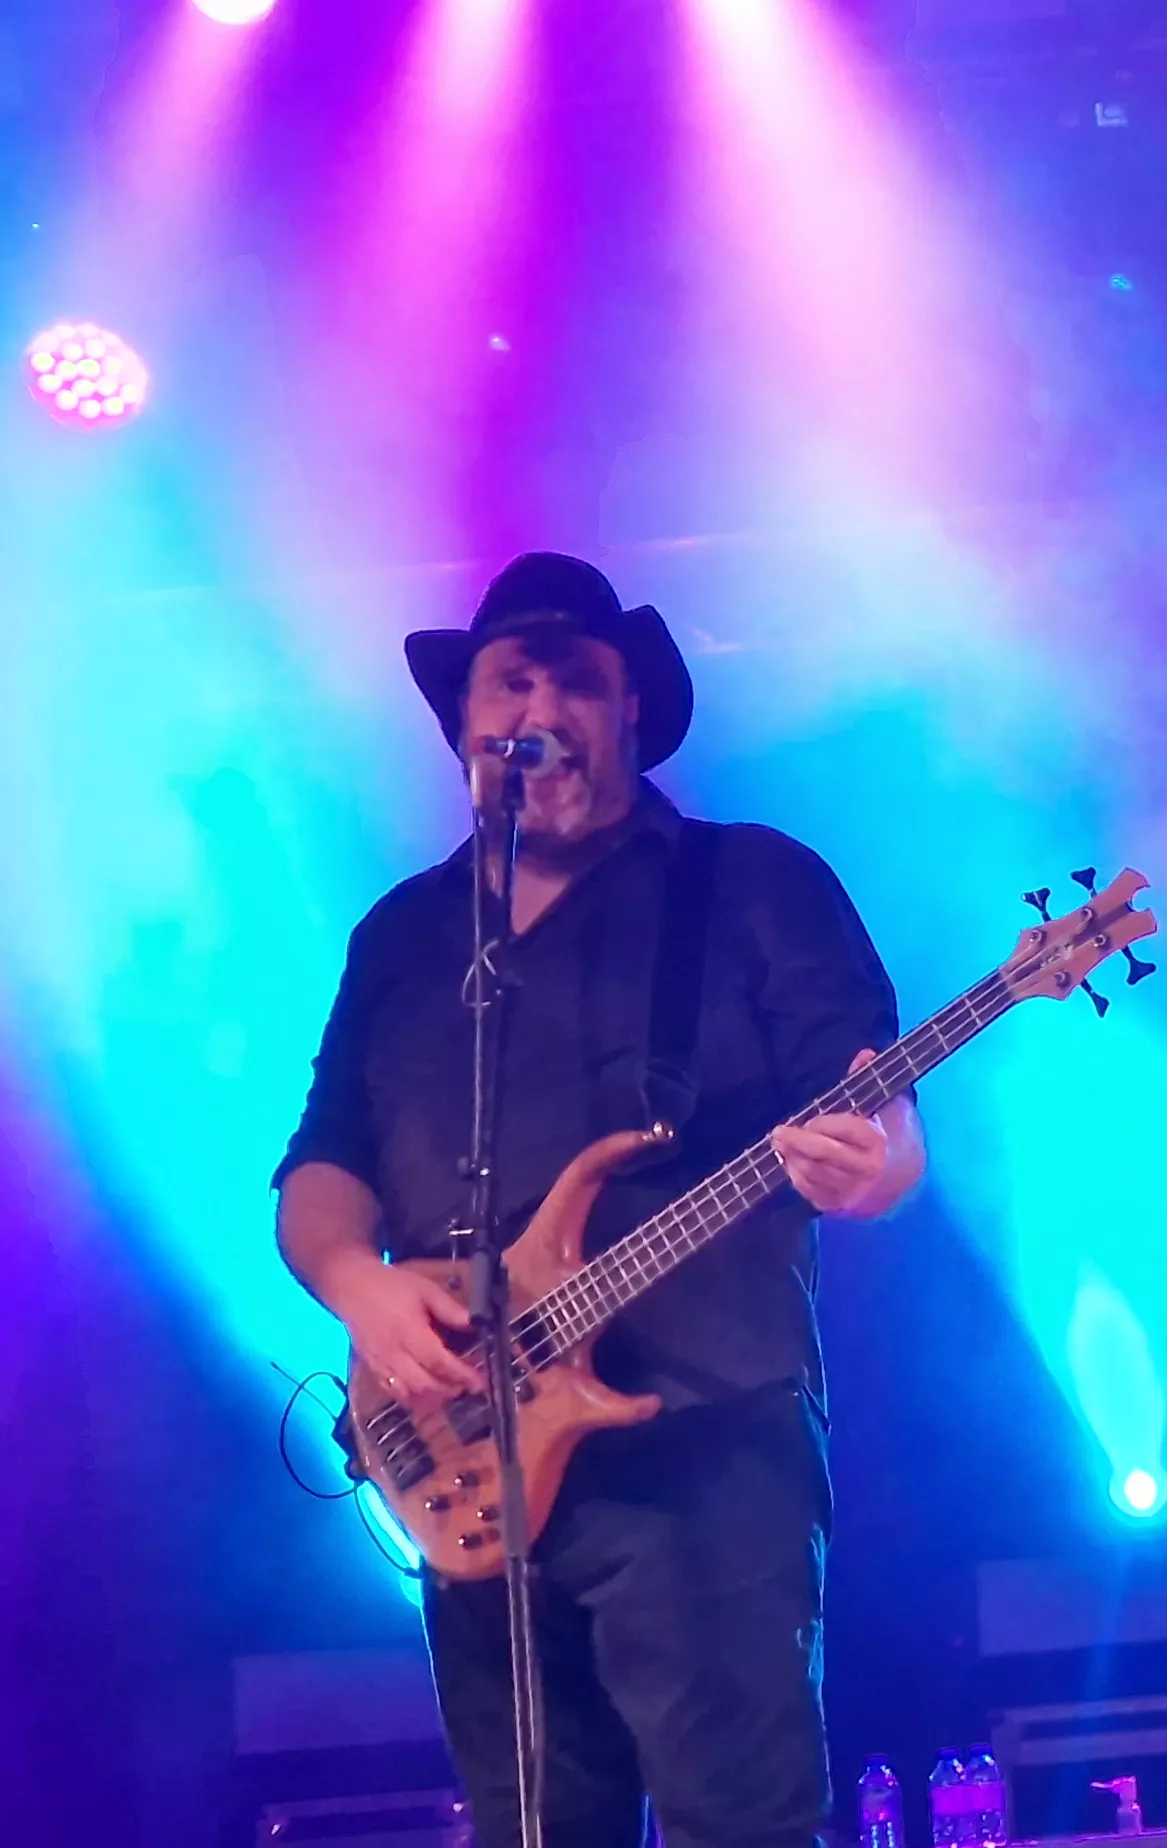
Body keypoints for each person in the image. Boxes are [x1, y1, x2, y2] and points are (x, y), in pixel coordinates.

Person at [276, 552, 926, 1848]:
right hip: (468, 1459)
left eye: (579, 678)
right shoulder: (402, 938)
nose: (544, 705)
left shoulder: (752, 884)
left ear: (633, 710)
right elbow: (322, 1165)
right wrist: (361, 1287)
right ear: (465, 724)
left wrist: (887, 1167)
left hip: (702, 1446)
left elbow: (877, 1110)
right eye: (512, 678)